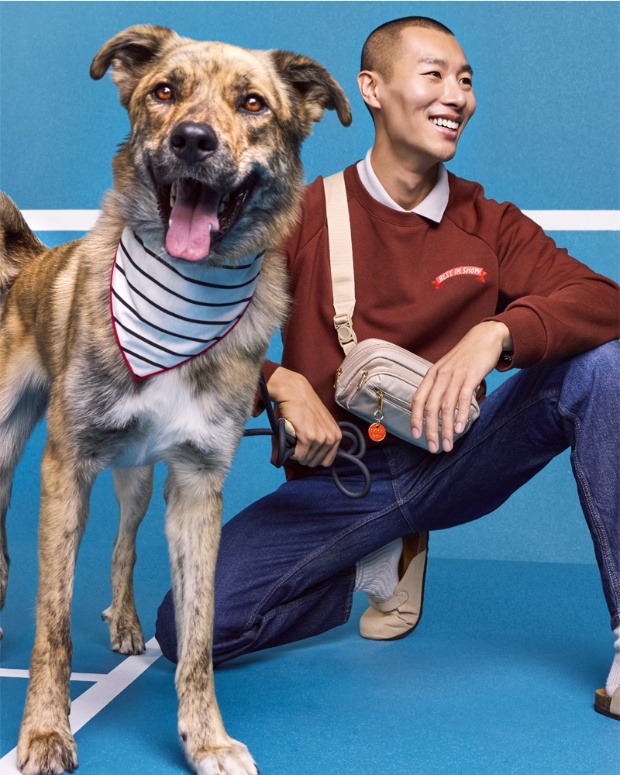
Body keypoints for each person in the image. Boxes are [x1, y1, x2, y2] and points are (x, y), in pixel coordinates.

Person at [156, 16, 620, 720]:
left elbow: (603, 300)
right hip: (341, 483)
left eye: (465, 80)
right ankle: (371, 562)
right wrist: (277, 382)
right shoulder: (299, 213)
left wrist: (496, 332)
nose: (456, 95)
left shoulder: (489, 223)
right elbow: (194, 332)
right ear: (371, 89)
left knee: (603, 365)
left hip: (457, 458)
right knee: (184, 628)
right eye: (434, 74)